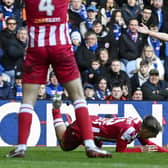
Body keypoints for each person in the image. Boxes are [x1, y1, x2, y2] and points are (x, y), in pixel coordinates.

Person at [6, 0, 111, 158]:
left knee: (27, 101)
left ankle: (21, 146)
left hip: (36, 49)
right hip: (60, 48)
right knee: (78, 98)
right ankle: (90, 145)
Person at [51, 94, 168, 153]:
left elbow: (147, 144)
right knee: (64, 145)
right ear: (146, 130)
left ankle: (69, 125)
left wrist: (165, 151)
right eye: (152, 134)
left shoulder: (137, 123)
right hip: (84, 128)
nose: (153, 137)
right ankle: (56, 111)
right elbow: (120, 151)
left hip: (94, 124)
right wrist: (140, 150)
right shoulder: (130, 131)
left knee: (97, 150)